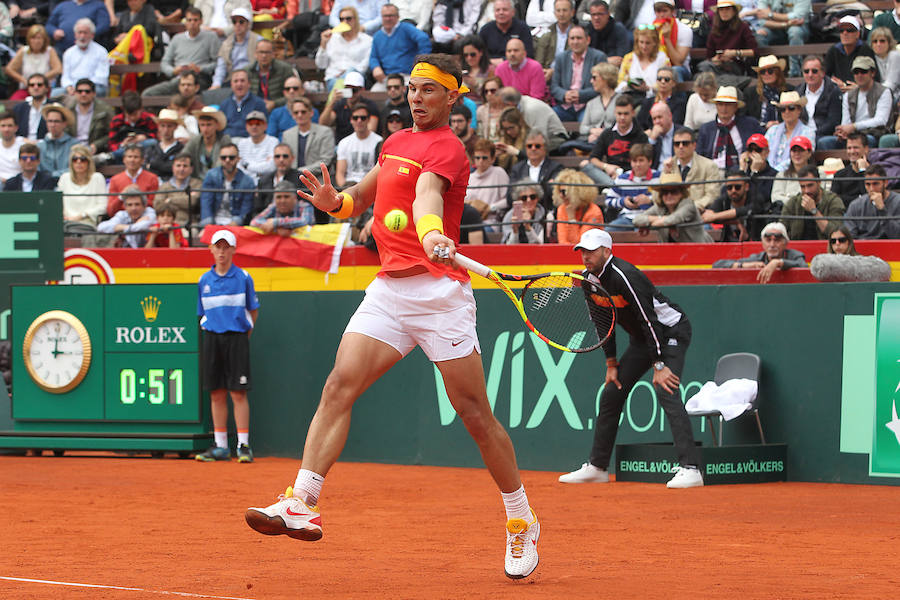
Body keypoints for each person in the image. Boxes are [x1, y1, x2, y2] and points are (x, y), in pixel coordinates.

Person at [244, 54, 541, 581]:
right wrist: (336, 203)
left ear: (452, 97)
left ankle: (520, 517)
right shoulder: (396, 142)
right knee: (339, 385)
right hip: (389, 290)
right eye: (411, 88)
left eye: (428, 89)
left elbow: (427, 196)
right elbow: (363, 197)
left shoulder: (448, 149)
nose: (416, 97)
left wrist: (430, 233)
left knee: (474, 413)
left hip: (440, 296)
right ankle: (302, 500)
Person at [559, 227, 703, 488]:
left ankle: (691, 468)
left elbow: (649, 321)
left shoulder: (625, 276)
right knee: (612, 393)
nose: (586, 257)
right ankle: (598, 467)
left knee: (665, 389)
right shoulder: (588, 280)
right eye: (582, 251)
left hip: (670, 330)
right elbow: (604, 323)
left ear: (607, 251)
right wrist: (611, 363)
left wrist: (659, 364)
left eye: (591, 251)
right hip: (643, 340)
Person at [195, 229, 260, 463]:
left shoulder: (244, 277)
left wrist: (243, 336)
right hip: (212, 337)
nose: (221, 252)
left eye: (226, 247)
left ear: (233, 250)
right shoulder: (204, 280)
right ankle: (221, 446)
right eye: (217, 247)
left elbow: (253, 310)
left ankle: (243, 445)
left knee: (238, 392)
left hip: (237, 338)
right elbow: (201, 314)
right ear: (211, 249)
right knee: (216, 392)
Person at [142, 7, 221, 96]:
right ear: (185, 22)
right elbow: (165, 62)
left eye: (195, 20)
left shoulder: (211, 37)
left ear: (201, 21)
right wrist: (173, 70)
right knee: (147, 94)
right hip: (178, 78)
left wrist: (200, 68)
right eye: (189, 20)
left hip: (200, 78)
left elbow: (217, 63)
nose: (192, 23)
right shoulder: (177, 39)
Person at [819, 56, 892, 150]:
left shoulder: (884, 92)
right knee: (824, 142)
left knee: (867, 140)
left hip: (873, 134)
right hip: (852, 135)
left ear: (872, 73)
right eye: (856, 72)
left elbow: (881, 120)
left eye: (863, 71)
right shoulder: (848, 95)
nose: (859, 75)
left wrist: (854, 126)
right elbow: (845, 122)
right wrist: (843, 131)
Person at [583, 95, 649, 186]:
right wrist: (606, 167)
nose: (622, 117)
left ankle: (614, 187)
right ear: (615, 113)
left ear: (633, 113)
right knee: (586, 166)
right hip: (610, 174)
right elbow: (593, 158)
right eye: (619, 114)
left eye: (626, 114)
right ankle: (614, 186)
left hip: (632, 176)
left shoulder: (641, 136)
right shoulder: (607, 134)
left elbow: (644, 163)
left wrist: (624, 176)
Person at [696, 86, 764, 170]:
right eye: (720, 104)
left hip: (742, 172)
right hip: (712, 174)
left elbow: (761, 148)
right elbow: (699, 156)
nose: (724, 109)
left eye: (728, 105)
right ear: (716, 106)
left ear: (736, 107)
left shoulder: (750, 125)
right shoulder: (706, 129)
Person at [712, 221, 807, 282]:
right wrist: (744, 266)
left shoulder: (795, 255)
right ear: (762, 243)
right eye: (768, 240)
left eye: (777, 240)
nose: (772, 244)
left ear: (785, 243)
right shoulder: (757, 259)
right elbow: (717, 265)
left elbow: (804, 267)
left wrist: (778, 263)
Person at [633, 171, 713, 241]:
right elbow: (637, 220)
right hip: (670, 252)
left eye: (674, 191)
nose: (669, 195)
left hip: (699, 251)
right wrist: (660, 219)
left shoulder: (688, 205)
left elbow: (672, 220)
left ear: (682, 193)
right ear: (661, 195)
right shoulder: (660, 207)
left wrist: (650, 224)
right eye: (665, 192)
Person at [549, 25, 607, 121]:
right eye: (572, 38)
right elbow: (554, 86)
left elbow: (603, 87)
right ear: (568, 41)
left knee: (586, 126)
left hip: (588, 105)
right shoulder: (561, 58)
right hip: (564, 106)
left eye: (579, 38)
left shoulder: (598, 57)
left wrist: (580, 95)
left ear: (588, 40)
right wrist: (564, 95)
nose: (575, 42)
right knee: (547, 119)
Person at [368, 3, 431, 90]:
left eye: (391, 16)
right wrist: (375, 67)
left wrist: (421, 63)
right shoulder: (377, 36)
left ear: (398, 16)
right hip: (387, 77)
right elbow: (373, 57)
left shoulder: (406, 28)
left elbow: (423, 39)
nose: (387, 19)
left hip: (407, 76)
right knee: (375, 92)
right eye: (385, 16)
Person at [702, 169, 774, 241]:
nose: (733, 190)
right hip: (728, 244)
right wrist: (736, 222)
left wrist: (715, 216)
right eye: (729, 187)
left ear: (746, 187)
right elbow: (707, 216)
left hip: (756, 243)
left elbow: (744, 211)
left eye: (737, 187)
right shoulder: (724, 199)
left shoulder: (756, 198)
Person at [662, 126, 722, 211]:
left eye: (685, 143)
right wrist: (666, 173)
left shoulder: (709, 166)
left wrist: (688, 209)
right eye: (677, 144)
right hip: (670, 212)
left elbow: (712, 196)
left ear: (694, 145)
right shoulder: (668, 165)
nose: (681, 147)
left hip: (697, 214)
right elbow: (658, 197)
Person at [283, 97, 336, 190]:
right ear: (292, 115)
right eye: (296, 112)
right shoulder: (287, 135)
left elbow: (326, 160)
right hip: (292, 182)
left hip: (318, 180)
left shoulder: (325, 132)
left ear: (311, 113)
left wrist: (300, 172)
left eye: (303, 112)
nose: (299, 115)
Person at [780, 165, 844, 240]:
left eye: (810, 185)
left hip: (826, 247)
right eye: (803, 187)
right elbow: (781, 229)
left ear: (819, 182)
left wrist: (814, 211)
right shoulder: (793, 202)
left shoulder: (833, 201)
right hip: (797, 247)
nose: (807, 191)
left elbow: (836, 233)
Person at [604, 142, 659, 230]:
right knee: (608, 231)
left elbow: (666, 199)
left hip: (649, 218)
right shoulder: (622, 178)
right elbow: (608, 200)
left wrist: (650, 200)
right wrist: (623, 201)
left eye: (641, 160)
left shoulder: (659, 177)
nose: (637, 164)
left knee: (640, 235)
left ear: (649, 162)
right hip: (626, 218)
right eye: (634, 161)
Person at [498, 86, 570, 152]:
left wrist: (517, 152)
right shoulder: (519, 105)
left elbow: (538, 136)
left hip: (555, 140)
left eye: (500, 104)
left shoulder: (531, 108)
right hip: (537, 140)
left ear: (509, 103)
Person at [315, 6, 373, 88]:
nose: (345, 22)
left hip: (355, 80)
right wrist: (323, 44)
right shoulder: (331, 38)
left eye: (348, 19)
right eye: (341, 19)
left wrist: (347, 74)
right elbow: (321, 65)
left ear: (355, 20)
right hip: (333, 78)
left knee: (351, 75)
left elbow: (364, 66)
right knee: (338, 83)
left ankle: (335, 97)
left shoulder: (367, 40)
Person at [199, 143, 256, 226]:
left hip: (235, 223)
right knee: (205, 223)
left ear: (238, 159)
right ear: (220, 159)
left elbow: (245, 212)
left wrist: (231, 226)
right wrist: (209, 226)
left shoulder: (247, 181)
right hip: (213, 221)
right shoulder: (211, 176)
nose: (227, 160)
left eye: (231, 157)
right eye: (223, 158)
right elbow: (206, 204)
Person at [753, 0, 810, 77]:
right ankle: (766, 71)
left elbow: (798, 17)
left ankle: (795, 72)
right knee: (760, 35)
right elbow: (762, 21)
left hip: (799, 27)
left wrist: (770, 15)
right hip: (774, 29)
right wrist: (786, 24)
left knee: (795, 32)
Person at [699, 0, 756, 77]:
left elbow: (754, 51)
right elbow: (709, 56)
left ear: (734, 11)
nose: (724, 12)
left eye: (727, 9)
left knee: (706, 70)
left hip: (736, 65)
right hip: (716, 66)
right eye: (721, 9)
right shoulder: (714, 30)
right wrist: (716, 59)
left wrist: (735, 53)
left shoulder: (743, 27)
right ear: (718, 12)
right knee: (703, 67)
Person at [319, 71, 379, 143]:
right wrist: (332, 102)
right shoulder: (339, 104)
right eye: (347, 89)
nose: (351, 93)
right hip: (341, 145)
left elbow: (371, 130)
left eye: (354, 90)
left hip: (363, 143)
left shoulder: (370, 105)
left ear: (362, 90)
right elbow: (323, 123)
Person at [4, 25, 61, 100]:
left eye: (39, 38)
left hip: (44, 89)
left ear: (44, 40)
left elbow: (58, 68)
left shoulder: (49, 51)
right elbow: (9, 69)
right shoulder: (24, 51)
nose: (36, 41)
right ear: (29, 39)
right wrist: (23, 80)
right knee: (14, 101)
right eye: (33, 38)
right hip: (27, 88)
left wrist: (41, 79)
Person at [56, 144, 107, 229]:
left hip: (88, 223)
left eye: (83, 159)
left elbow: (103, 207)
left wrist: (82, 215)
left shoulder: (97, 178)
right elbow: (57, 204)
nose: (78, 162)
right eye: (75, 159)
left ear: (89, 162)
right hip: (65, 222)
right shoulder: (64, 178)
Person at [508, 131, 563, 210]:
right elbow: (510, 195)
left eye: (537, 146)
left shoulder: (555, 168)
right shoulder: (517, 169)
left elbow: (553, 193)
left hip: (546, 211)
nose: (533, 149)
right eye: (529, 146)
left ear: (545, 148)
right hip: (521, 211)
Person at [844, 164, 900, 239]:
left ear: (885, 183)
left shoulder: (898, 202)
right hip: (863, 247)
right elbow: (850, 236)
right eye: (868, 184)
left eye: (875, 184)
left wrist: (882, 209)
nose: (871, 189)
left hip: (891, 247)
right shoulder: (856, 205)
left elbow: (896, 235)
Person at [795, 55, 841, 145]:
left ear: (823, 73)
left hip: (822, 134)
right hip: (800, 134)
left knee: (821, 142)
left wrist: (812, 134)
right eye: (806, 71)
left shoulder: (833, 91)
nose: (810, 75)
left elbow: (833, 121)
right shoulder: (797, 92)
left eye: (814, 71)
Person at [210, 8, 261, 89]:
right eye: (234, 22)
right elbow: (221, 67)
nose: (237, 25)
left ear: (248, 24)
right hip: (232, 81)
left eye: (241, 22)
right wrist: (216, 84)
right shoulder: (226, 43)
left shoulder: (258, 41)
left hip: (253, 80)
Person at [335, 103, 383, 189]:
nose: (359, 121)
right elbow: (340, 174)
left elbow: (380, 172)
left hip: (370, 187)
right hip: (348, 186)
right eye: (355, 118)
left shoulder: (379, 141)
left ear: (368, 120)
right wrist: (345, 190)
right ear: (351, 120)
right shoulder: (344, 142)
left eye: (363, 118)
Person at [765, 92, 814, 172]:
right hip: (769, 174)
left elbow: (803, 157)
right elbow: (763, 152)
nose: (787, 112)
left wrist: (775, 172)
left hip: (793, 174)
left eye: (791, 108)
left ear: (799, 110)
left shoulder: (808, 132)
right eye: (782, 109)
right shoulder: (772, 130)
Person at [825, 16, 878, 90]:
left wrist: (858, 87)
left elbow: (873, 76)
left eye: (849, 30)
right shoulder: (833, 50)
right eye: (841, 30)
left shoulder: (865, 49)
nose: (845, 33)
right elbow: (825, 75)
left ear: (858, 34)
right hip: (839, 90)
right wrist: (833, 82)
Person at [616, 26, 669, 100]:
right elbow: (620, 81)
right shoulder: (629, 58)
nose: (644, 46)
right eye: (641, 42)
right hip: (631, 98)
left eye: (648, 43)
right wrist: (628, 85)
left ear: (655, 43)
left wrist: (648, 88)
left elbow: (667, 83)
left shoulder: (662, 58)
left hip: (654, 99)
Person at [105, 91, 159, 163]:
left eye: (135, 114)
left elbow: (156, 138)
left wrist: (144, 137)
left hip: (144, 152)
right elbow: (111, 144)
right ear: (124, 110)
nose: (132, 118)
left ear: (141, 109)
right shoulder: (116, 121)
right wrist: (123, 144)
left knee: (152, 142)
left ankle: (108, 157)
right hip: (123, 153)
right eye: (129, 115)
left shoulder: (148, 119)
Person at [744, 55, 794, 132]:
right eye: (763, 72)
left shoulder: (790, 91)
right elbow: (746, 118)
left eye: (770, 71)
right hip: (758, 132)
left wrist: (780, 123)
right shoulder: (750, 93)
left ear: (778, 72)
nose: (766, 74)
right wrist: (763, 125)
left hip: (785, 130)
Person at [553, 168, 604, 243]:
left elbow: (581, 244)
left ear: (577, 192)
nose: (561, 195)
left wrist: (572, 219)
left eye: (564, 192)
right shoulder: (562, 208)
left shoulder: (594, 212)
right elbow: (562, 241)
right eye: (559, 191)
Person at [466, 138, 510, 224]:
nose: (480, 161)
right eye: (477, 158)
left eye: (484, 158)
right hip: (470, 222)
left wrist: (490, 208)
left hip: (491, 222)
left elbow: (508, 200)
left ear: (493, 159)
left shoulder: (499, 172)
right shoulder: (469, 177)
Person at [248, 38, 300, 112]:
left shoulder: (285, 69)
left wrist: (275, 103)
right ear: (255, 54)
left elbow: (295, 94)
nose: (264, 56)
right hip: (253, 110)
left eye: (267, 52)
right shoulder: (248, 71)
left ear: (273, 54)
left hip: (280, 109)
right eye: (261, 52)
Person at [107, 145, 160, 215]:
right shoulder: (115, 179)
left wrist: (140, 196)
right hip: (123, 215)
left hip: (145, 214)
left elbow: (155, 206)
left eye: (136, 157)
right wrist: (122, 195)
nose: (132, 160)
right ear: (124, 159)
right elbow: (110, 210)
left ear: (142, 160)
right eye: (129, 157)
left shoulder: (152, 178)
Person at [250, 179, 315, 234]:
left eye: (286, 197)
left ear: (295, 197)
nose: (282, 201)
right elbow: (254, 222)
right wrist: (276, 230)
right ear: (274, 199)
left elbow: (305, 221)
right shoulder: (273, 206)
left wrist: (276, 222)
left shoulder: (305, 206)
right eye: (279, 197)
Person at [578, 63, 620, 147]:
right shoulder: (592, 103)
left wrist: (603, 133)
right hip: (591, 141)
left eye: (594, 78)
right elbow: (582, 128)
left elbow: (625, 126)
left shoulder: (621, 100)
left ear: (605, 78)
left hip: (615, 142)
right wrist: (593, 131)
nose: (591, 81)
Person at [45, 0, 109, 55]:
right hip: (62, 48)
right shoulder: (63, 6)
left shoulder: (98, 6)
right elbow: (49, 24)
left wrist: (87, 34)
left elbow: (104, 25)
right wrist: (54, 31)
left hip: (87, 50)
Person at [185, 106, 233, 179]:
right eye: (202, 125)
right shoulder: (195, 140)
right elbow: (183, 155)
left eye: (209, 125)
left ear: (216, 125)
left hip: (220, 180)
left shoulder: (224, 140)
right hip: (197, 182)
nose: (205, 129)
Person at [651, 0, 693, 82]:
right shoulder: (651, 29)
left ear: (672, 11)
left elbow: (678, 62)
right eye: (658, 11)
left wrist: (667, 39)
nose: (662, 15)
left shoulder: (685, 30)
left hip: (680, 68)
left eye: (665, 11)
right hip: (656, 65)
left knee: (675, 70)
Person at [156, 153, 203, 227]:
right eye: (178, 166)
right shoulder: (164, 186)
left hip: (188, 225)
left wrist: (169, 200)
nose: (181, 169)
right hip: (167, 224)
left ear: (191, 169)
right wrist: (184, 198)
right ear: (173, 168)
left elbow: (192, 202)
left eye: (185, 166)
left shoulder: (197, 184)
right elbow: (157, 205)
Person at [70, 79, 114, 156]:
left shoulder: (105, 110)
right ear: (75, 93)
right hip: (72, 150)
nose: (83, 94)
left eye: (87, 91)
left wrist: (96, 145)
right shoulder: (68, 110)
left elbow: (112, 133)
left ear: (94, 93)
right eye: (80, 91)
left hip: (96, 151)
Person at [221, 69, 269, 139]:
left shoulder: (258, 103)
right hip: (228, 142)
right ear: (231, 84)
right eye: (236, 81)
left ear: (249, 84)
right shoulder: (224, 104)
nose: (239, 84)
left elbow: (263, 127)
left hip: (250, 141)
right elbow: (220, 128)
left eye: (242, 81)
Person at [534, 0, 577, 79]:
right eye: (558, 10)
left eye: (565, 10)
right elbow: (538, 62)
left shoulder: (578, 36)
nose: (561, 14)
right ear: (554, 13)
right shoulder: (546, 36)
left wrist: (554, 71)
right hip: (547, 76)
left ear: (572, 12)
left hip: (571, 76)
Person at [255, 142, 300, 214]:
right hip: (266, 220)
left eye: (285, 156)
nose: (281, 160)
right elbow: (257, 208)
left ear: (292, 158)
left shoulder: (301, 178)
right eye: (277, 156)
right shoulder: (263, 180)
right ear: (273, 159)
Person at [637, 66, 686, 131]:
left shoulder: (679, 104)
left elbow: (675, 124)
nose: (663, 82)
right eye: (659, 79)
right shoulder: (647, 102)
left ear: (674, 83)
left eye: (667, 79)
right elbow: (640, 123)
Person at [267, 76, 317, 140]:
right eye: (288, 89)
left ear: (302, 91)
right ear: (284, 93)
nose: (291, 91)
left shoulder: (312, 112)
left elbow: (315, 136)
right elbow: (271, 137)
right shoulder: (276, 113)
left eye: (295, 88)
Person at [236, 110, 279, 183]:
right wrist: (260, 169)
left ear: (265, 126)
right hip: (246, 182)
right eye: (250, 123)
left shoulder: (273, 141)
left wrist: (247, 166)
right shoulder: (241, 143)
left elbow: (271, 167)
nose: (254, 126)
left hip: (267, 182)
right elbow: (239, 167)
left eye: (258, 123)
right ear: (246, 126)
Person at [770, 133, 812, 207]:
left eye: (801, 150)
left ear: (809, 153)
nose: (797, 154)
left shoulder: (819, 174)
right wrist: (797, 202)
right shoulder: (782, 175)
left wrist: (787, 197)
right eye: (794, 151)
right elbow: (775, 197)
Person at [37, 103, 78, 178]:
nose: (52, 125)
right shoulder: (40, 146)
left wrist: (52, 175)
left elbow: (75, 168)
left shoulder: (74, 145)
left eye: (56, 121)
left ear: (64, 124)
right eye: (50, 121)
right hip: (45, 185)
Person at [585, 0, 629, 67]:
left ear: (608, 14)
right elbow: (584, 59)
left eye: (600, 14)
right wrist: (606, 61)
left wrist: (595, 61)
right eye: (593, 14)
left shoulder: (619, 29)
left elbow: (620, 59)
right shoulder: (587, 30)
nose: (596, 18)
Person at [830, 132, 869, 206]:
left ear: (866, 149)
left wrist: (862, 170)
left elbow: (867, 199)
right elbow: (834, 200)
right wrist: (858, 198)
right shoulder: (840, 174)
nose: (852, 151)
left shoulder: (875, 172)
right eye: (849, 148)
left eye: (856, 148)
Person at [144, 109, 185, 179]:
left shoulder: (182, 149)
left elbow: (178, 169)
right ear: (158, 127)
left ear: (175, 127)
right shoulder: (152, 148)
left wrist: (153, 165)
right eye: (163, 126)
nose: (166, 130)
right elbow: (145, 168)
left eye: (169, 126)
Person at [13, 73, 48, 141]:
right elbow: (14, 131)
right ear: (28, 88)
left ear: (46, 88)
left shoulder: (53, 107)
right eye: (32, 85)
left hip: (46, 145)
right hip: (22, 144)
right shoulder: (19, 108)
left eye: (39, 85)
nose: (35, 87)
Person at [495, 107, 529, 171]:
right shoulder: (505, 139)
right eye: (506, 129)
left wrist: (517, 153)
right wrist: (495, 156)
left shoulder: (530, 137)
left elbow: (535, 159)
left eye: (511, 128)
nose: (508, 132)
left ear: (520, 124)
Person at [644, 102, 675, 169]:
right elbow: (644, 159)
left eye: (660, 117)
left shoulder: (681, 133)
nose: (657, 121)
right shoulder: (651, 134)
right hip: (656, 174)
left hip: (676, 172)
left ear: (670, 116)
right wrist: (652, 139)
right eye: (654, 119)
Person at [870, 27, 900, 97]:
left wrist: (869, 90)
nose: (878, 44)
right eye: (875, 41)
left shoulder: (894, 55)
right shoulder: (872, 57)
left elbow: (891, 84)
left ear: (889, 43)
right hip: (880, 94)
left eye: (882, 41)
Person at [476, 76, 506, 142]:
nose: (489, 94)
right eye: (486, 91)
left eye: (493, 91)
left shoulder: (508, 109)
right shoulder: (481, 111)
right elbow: (480, 135)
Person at [0, 113, 24, 183]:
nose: (6, 129)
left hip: (17, 184)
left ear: (16, 128)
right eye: (3, 126)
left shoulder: (23, 146)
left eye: (10, 126)